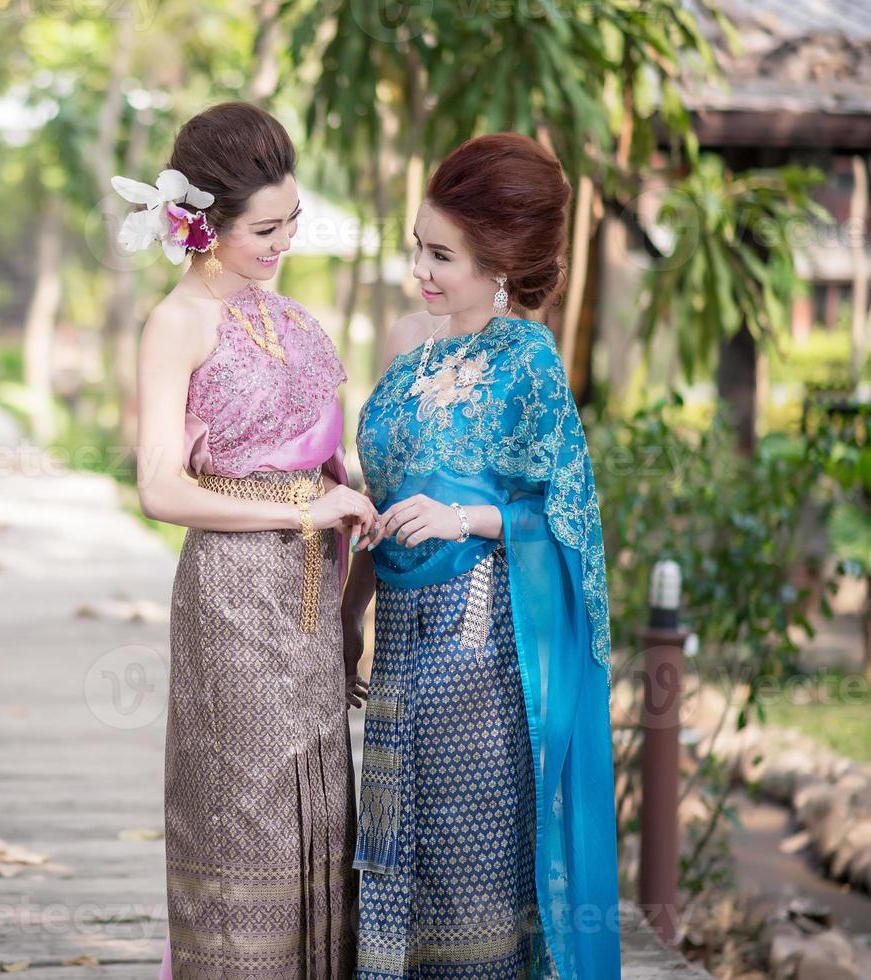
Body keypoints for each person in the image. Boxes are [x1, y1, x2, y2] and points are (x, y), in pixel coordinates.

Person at [346, 132, 621, 978]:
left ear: (497, 262)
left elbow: (568, 516)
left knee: (470, 878)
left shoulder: (527, 361)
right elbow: (382, 491)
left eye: (442, 256)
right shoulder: (403, 340)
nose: (421, 272)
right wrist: (346, 613)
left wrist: (466, 517)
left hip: (481, 648)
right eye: (417, 248)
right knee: (392, 857)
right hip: (397, 643)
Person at [121, 101, 376, 979]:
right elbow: (159, 486)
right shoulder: (177, 323)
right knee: (247, 805)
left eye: (291, 222)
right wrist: (299, 513)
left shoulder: (292, 318)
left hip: (312, 592)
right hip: (232, 597)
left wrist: (348, 488)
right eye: (265, 229)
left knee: (319, 799)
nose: (282, 244)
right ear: (204, 224)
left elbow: (316, 451)